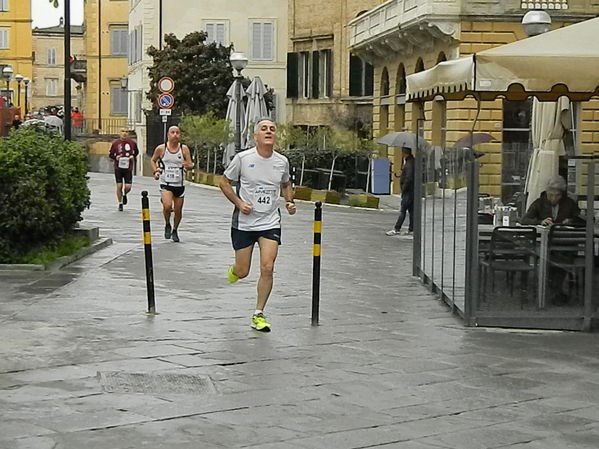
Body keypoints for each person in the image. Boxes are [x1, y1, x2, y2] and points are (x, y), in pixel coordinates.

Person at [219, 118, 296, 332]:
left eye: (272, 129)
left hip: (270, 221)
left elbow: (286, 183)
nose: (268, 131)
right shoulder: (243, 159)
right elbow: (224, 182)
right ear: (256, 136)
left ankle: (258, 313)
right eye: (264, 129)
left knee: (268, 267)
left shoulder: (282, 161)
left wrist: (289, 200)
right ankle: (235, 270)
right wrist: (238, 202)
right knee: (243, 271)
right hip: (244, 222)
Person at [150, 126, 193, 242]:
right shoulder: (161, 148)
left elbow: (190, 165)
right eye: (172, 132)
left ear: (180, 135)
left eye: (177, 133)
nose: (175, 135)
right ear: (168, 135)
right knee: (168, 206)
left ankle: (175, 229)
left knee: (178, 210)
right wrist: (156, 171)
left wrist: (187, 165)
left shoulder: (184, 149)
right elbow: (153, 160)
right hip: (165, 183)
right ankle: (167, 223)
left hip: (179, 184)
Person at [386, 146, 415, 237]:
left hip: (408, 191)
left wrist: (404, 189)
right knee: (411, 211)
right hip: (412, 191)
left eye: (402, 153)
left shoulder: (409, 163)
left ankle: (397, 228)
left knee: (403, 210)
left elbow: (409, 178)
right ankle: (411, 229)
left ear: (404, 153)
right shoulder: (411, 162)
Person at [108, 128, 139, 211]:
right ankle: (120, 203)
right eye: (123, 131)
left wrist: (133, 156)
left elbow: (136, 152)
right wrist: (116, 157)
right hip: (118, 167)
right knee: (119, 186)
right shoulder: (116, 143)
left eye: (126, 132)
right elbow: (111, 154)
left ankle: (125, 194)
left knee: (128, 187)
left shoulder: (132, 143)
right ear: (119, 133)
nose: (124, 133)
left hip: (128, 167)